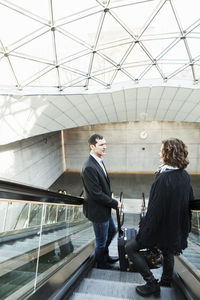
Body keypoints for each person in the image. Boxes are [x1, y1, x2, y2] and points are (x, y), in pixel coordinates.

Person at [125, 138, 194, 297]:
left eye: (161, 150)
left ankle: (151, 283)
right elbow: (190, 201)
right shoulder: (184, 175)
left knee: (130, 248)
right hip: (174, 228)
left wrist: (144, 232)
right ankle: (166, 280)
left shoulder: (163, 178)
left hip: (159, 228)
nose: (159, 152)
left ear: (168, 153)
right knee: (168, 250)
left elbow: (155, 210)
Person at [81, 133, 122, 269]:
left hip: (104, 208)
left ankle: (105, 256)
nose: (105, 147)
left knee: (112, 231)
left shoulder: (98, 160)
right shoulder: (89, 167)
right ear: (92, 146)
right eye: (101, 145)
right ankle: (101, 264)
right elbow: (96, 194)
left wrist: (109, 196)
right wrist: (115, 203)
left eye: (105, 144)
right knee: (101, 241)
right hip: (97, 211)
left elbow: (101, 185)